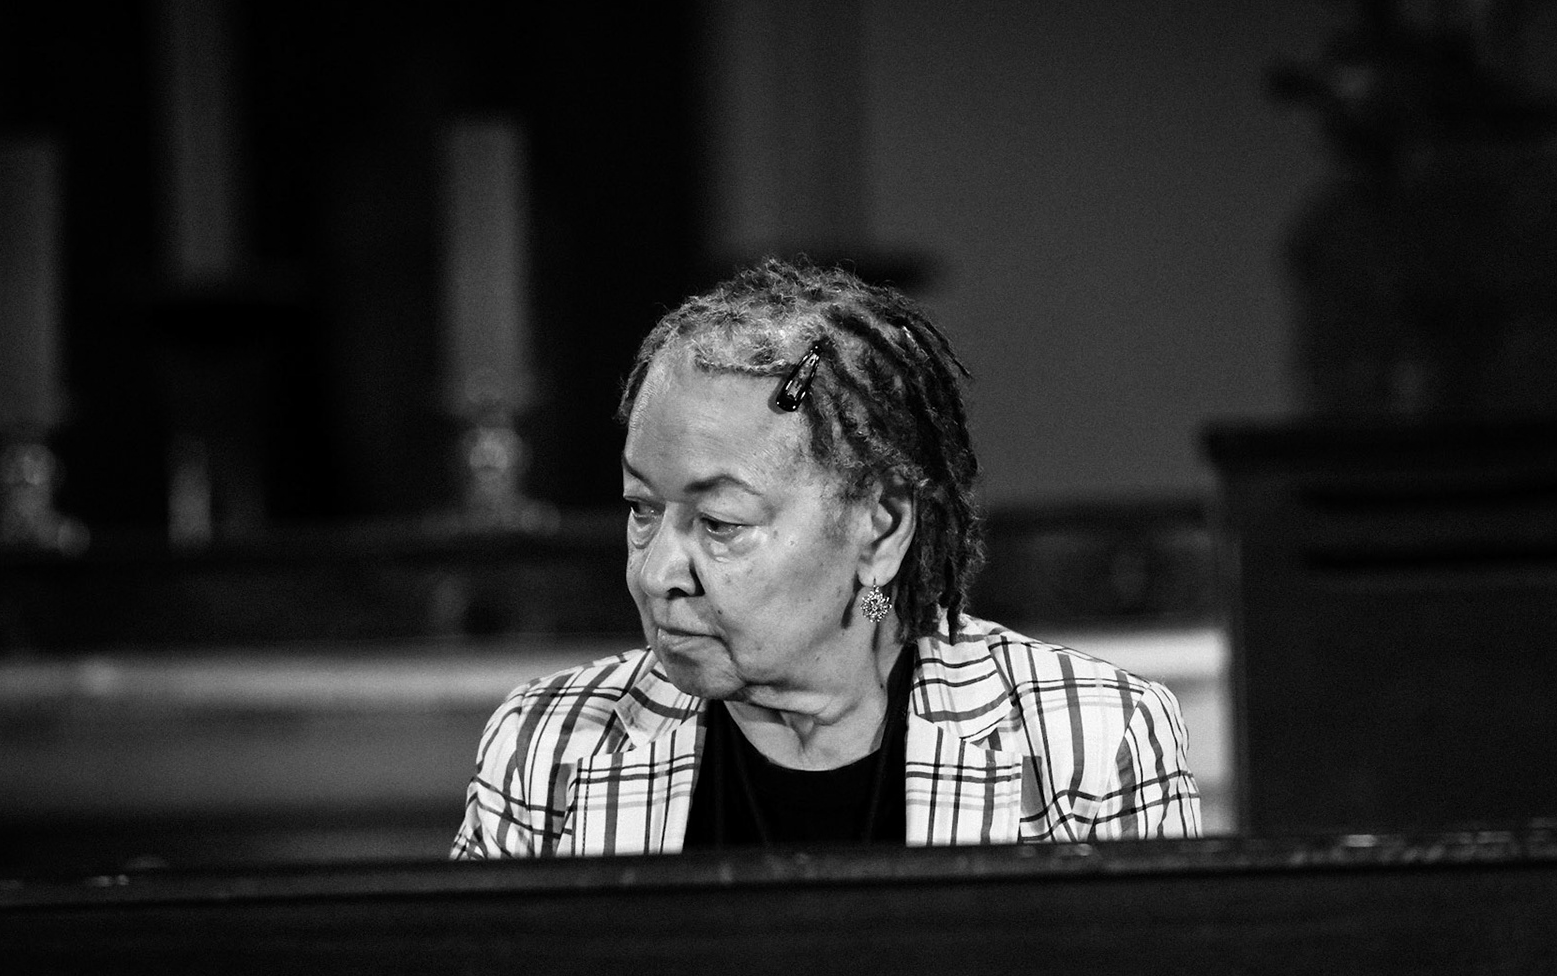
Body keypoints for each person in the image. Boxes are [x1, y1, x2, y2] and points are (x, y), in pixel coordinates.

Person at [454, 259, 1198, 858]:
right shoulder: (549, 746)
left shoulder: (1089, 741)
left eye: (719, 523)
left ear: (880, 528)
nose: (656, 575)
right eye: (643, 510)